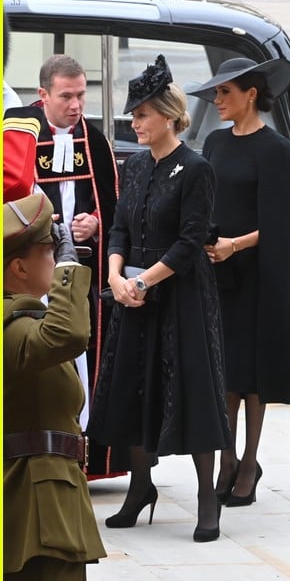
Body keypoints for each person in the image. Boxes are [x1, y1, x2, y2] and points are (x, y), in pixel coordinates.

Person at [86, 55, 231, 542]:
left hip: (180, 296)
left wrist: (143, 282)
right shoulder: (135, 165)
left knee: (191, 392)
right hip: (132, 295)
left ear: (168, 115)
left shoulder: (196, 169)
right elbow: (120, 226)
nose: (135, 123)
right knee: (132, 386)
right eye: (134, 115)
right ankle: (140, 487)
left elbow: (191, 242)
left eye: (142, 114)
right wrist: (115, 278)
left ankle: (207, 498)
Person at [4, 191, 107, 581]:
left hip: (35, 512)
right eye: (47, 248)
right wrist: (76, 262)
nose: (55, 257)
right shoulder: (15, 325)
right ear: (21, 265)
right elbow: (70, 330)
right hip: (26, 520)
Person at [187, 57, 290, 509]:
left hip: (255, 272)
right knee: (222, 372)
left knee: (252, 375)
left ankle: (249, 462)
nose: (217, 101)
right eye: (215, 94)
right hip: (217, 270)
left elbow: (282, 223)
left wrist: (235, 244)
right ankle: (226, 457)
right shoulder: (214, 142)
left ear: (251, 94)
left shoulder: (275, 149)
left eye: (225, 93)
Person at [29, 55, 121, 477]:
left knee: (83, 359)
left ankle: (85, 456)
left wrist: (96, 222)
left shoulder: (95, 141)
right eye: (67, 96)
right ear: (43, 95)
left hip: (82, 272)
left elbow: (112, 206)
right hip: (29, 271)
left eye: (82, 94)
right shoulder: (20, 135)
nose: (76, 104)